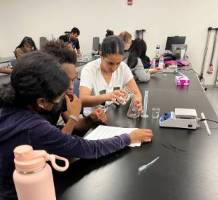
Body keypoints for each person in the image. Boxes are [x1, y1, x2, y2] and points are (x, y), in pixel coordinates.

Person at [0, 51, 153, 199]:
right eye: (58, 99)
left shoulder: (13, 103)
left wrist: (89, 119)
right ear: (41, 101)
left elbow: (53, 133)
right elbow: (88, 148)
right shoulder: (33, 127)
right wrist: (127, 137)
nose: (69, 91)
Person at [42, 40, 107, 134]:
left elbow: (74, 126)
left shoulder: (63, 96)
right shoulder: (33, 105)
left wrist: (91, 118)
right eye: (65, 80)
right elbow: (56, 142)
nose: (71, 87)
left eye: (73, 80)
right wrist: (73, 118)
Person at [80, 35, 143, 111]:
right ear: (101, 55)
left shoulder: (123, 67)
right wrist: (107, 96)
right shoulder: (89, 69)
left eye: (118, 63)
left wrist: (137, 102)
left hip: (114, 116)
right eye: (110, 63)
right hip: (93, 119)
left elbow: (136, 93)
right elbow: (82, 100)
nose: (114, 68)